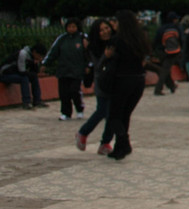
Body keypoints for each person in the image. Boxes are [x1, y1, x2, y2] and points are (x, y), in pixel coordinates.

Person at [104, 10, 150, 160]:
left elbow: (111, 60)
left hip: (122, 80)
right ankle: (120, 148)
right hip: (138, 80)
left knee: (114, 116)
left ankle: (124, 142)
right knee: (125, 114)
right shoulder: (139, 39)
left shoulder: (117, 41)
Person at [75, 19, 116, 154]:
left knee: (113, 114)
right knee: (102, 110)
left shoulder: (116, 41)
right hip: (103, 82)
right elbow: (97, 67)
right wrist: (105, 56)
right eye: (102, 30)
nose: (105, 32)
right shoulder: (94, 48)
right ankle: (83, 132)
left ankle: (105, 143)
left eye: (107, 28)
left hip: (117, 81)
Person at [43, 18, 90, 120]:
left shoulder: (83, 38)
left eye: (74, 27)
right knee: (64, 93)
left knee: (74, 91)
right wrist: (45, 63)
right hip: (63, 70)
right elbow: (53, 52)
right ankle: (66, 113)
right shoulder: (62, 39)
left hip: (77, 70)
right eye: (69, 27)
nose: (71, 29)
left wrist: (88, 65)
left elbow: (88, 53)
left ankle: (79, 109)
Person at [0, 43, 46, 109]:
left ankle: (37, 101)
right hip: (5, 74)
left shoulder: (32, 57)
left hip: (15, 73)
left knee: (34, 77)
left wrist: (35, 64)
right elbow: (21, 71)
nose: (40, 58)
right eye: (39, 56)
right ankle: (26, 102)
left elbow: (34, 72)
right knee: (24, 78)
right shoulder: (23, 54)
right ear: (34, 52)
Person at [151, 12, 182, 96]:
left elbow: (155, 41)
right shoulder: (176, 28)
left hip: (161, 51)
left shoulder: (161, 28)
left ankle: (172, 86)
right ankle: (158, 89)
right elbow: (181, 39)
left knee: (165, 68)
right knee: (165, 70)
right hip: (172, 51)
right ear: (174, 20)